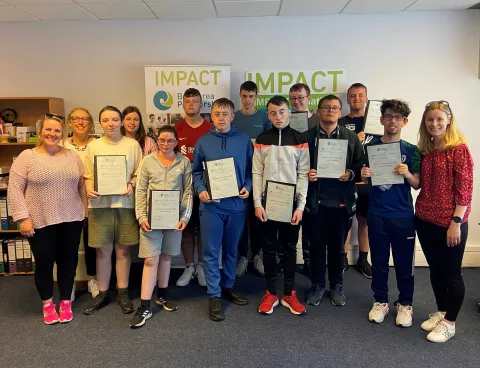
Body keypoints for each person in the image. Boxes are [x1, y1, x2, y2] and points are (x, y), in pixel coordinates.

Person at [7, 113, 87, 324]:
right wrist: (23, 218)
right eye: (48, 130)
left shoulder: (72, 156)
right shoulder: (27, 156)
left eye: (57, 131)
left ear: (63, 134)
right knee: (44, 262)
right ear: (41, 131)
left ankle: (65, 303)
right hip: (40, 220)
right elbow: (14, 190)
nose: (52, 134)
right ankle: (48, 304)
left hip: (71, 218)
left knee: (68, 262)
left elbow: (81, 186)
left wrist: (84, 212)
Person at [415, 100, 473, 343]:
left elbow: (465, 191)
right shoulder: (426, 150)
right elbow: (419, 184)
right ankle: (441, 311)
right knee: (436, 271)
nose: (434, 123)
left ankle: (450, 322)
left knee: (451, 274)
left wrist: (456, 222)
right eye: (430, 119)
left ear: (449, 120)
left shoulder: (458, 149)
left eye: (439, 119)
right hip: (425, 219)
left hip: (450, 222)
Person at [360, 99, 420, 327]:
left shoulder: (412, 150)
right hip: (377, 214)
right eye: (388, 116)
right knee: (379, 262)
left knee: (405, 263)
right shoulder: (370, 147)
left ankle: (405, 304)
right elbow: (363, 178)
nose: (392, 121)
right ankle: (381, 301)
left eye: (397, 117)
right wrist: (364, 173)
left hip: (403, 215)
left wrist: (407, 174)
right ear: (382, 119)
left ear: (404, 121)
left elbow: (416, 184)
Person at [192, 98, 253, 321]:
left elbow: (250, 170)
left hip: (236, 206)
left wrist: (247, 186)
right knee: (210, 252)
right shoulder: (203, 142)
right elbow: (196, 172)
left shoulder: (244, 141)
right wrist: (200, 189)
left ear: (232, 116)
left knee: (231, 251)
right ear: (212, 116)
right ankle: (214, 295)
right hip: (211, 207)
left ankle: (228, 286)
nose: (221, 118)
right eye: (217, 114)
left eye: (225, 114)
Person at [129, 125, 193, 328]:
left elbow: (188, 192)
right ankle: (145, 305)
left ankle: (163, 295)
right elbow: (140, 191)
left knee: (167, 257)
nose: (166, 144)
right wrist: (141, 216)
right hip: (151, 219)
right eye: (162, 140)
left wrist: (185, 216)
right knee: (150, 260)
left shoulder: (184, 163)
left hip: (173, 219)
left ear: (177, 142)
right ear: (157, 141)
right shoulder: (148, 161)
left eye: (170, 141)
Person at [303, 94, 363, 307]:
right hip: (315, 202)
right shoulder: (306, 137)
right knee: (317, 247)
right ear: (318, 111)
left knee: (338, 248)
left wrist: (350, 173)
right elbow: (297, 168)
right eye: (326, 107)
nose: (330, 111)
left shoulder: (351, 138)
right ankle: (318, 284)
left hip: (341, 203)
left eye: (334, 108)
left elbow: (360, 167)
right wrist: (306, 174)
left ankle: (337, 284)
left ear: (340, 112)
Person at [82, 106, 142, 316]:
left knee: (123, 251)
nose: (111, 124)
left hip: (125, 204)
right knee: (102, 251)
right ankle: (103, 293)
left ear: (121, 121)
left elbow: (138, 173)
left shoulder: (132, 145)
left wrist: (131, 184)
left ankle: (122, 291)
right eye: (106, 120)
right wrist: (89, 188)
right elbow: (88, 175)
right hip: (99, 206)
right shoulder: (93, 146)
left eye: (115, 119)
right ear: (100, 123)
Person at [253, 95, 309, 316]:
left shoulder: (299, 138)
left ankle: (289, 293)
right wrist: (257, 203)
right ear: (268, 115)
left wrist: (300, 207)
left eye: (282, 111)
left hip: (291, 204)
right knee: (268, 249)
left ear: (289, 113)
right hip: (267, 203)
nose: (278, 116)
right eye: (273, 113)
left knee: (289, 249)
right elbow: (256, 172)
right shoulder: (262, 138)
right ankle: (270, 292)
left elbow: (303, 174)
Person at [231, 81, 272, 278]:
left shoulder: (264, 118)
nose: (248, 100)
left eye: (251, 96)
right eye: (244, 96)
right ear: (240, 96)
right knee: (240, 218)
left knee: (258, 219)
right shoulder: (234, 118)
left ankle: (257, 255)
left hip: (260, 176)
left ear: (256, 97)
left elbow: (271, 144)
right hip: (237, 177)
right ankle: (242, 257)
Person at [174, 88, 212, 287]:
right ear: (183, 104)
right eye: (187, 101)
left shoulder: (210, 128)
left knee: (204, 228)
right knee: (186, 228)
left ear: (201, 104)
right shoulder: (176, 128)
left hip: (206, 187)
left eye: (195, 101)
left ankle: (202, 267)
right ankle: (189, 265)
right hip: (182, 188)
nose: (191, 105)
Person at [64, 107, 99, 299]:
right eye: (76, 118)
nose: (80, 122)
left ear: (91, 122)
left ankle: (92, 278)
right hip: (68, 199)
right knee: (69, 244)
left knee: (91, 242)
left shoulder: (98, 144)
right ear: (69, 122)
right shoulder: (62, 144)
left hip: (93, 198)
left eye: (85, 119)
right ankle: (68, 282)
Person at [338, 83, 372, 278]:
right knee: (345, 220)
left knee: (364, 221)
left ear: (366, 98)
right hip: (348, 178)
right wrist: (354, 140)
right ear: (348, 99)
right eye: (352, 96)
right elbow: (336, 151)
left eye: (360, 95)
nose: (356, 98)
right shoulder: (341, 122)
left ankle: (363, 260)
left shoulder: (376, 123)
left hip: (368, 180)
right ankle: (342, 257)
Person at [288, 83, 319, 277]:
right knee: (289, 222)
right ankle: (287, 260)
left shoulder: (318, 119)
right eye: (293, 99)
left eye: (301, 97)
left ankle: (309, 261)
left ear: (309, 98)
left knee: (310, 225)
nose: (297, 101)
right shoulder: (285, 119)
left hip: (315, 180)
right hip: (291, 179)